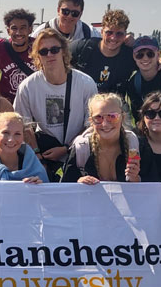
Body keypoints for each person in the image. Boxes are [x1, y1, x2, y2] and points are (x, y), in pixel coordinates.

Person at [14, 28, 98, 181]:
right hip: (44, 153)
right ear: (37, 56)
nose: (50, 55)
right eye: (43, 51)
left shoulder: (85, 83)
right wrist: (38, 156)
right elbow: (23, 125)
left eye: (54, 50)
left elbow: (92, 124)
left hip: (78, 152)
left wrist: (66, 149)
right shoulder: (28, 86)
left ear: (64, 52)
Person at [60, 93, 142, 184]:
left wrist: (135, 178)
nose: (105, 124)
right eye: (98, 118)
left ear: (122, 117)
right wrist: (79, 182)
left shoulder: (135, 144)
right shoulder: (81, 148)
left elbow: (153, 187)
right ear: (91, 121)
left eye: (112, 116)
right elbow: (65, 188)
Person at [0, 8, 37, 102]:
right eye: (14, 28)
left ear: (30, 29)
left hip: (32, 102)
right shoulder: (0, 49)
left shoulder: (39, 47)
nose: (18, 33)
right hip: (8, 103)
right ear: (8, 31)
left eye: (23, 28)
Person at [30, 0, 101, 42]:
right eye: (65, 12)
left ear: (80, 14)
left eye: (75, 13)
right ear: (58, 10)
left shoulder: (90, 33)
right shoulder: (40, 33)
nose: (69, 16)